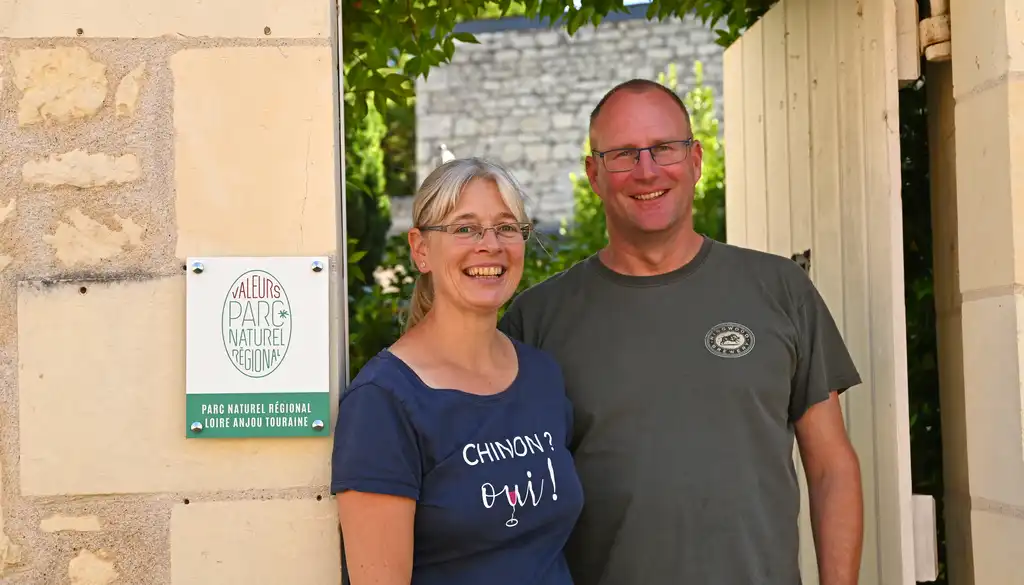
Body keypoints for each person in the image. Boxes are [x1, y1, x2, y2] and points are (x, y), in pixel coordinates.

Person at [499, 79, 864, 585]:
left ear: (695, 160)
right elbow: (507, 494)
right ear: (594, 174)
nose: (647, 170)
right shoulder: (538, 320)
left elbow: (831, 467)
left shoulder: (780, 290)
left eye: (664, 148)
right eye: (623, 154)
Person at [331, 157, 585, 585]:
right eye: (465, 228)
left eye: (506, 227)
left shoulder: (542, 375)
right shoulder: (383, 402)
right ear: (420, 250)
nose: (490, 244)